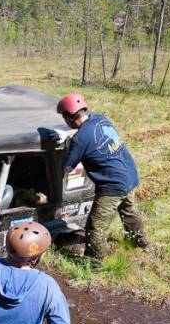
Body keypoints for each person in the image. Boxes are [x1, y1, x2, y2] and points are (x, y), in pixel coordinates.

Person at [50, 93, 149, 259]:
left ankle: (94, 262)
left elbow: (67, 167)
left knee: (96, 226)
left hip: (112, 185)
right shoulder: (100, 119)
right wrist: (68, 134)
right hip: (129, 174)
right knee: (129, 210)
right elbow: (85, 132)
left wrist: (67, 144)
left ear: (68, 117)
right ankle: (141, 242)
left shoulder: (79, 140)